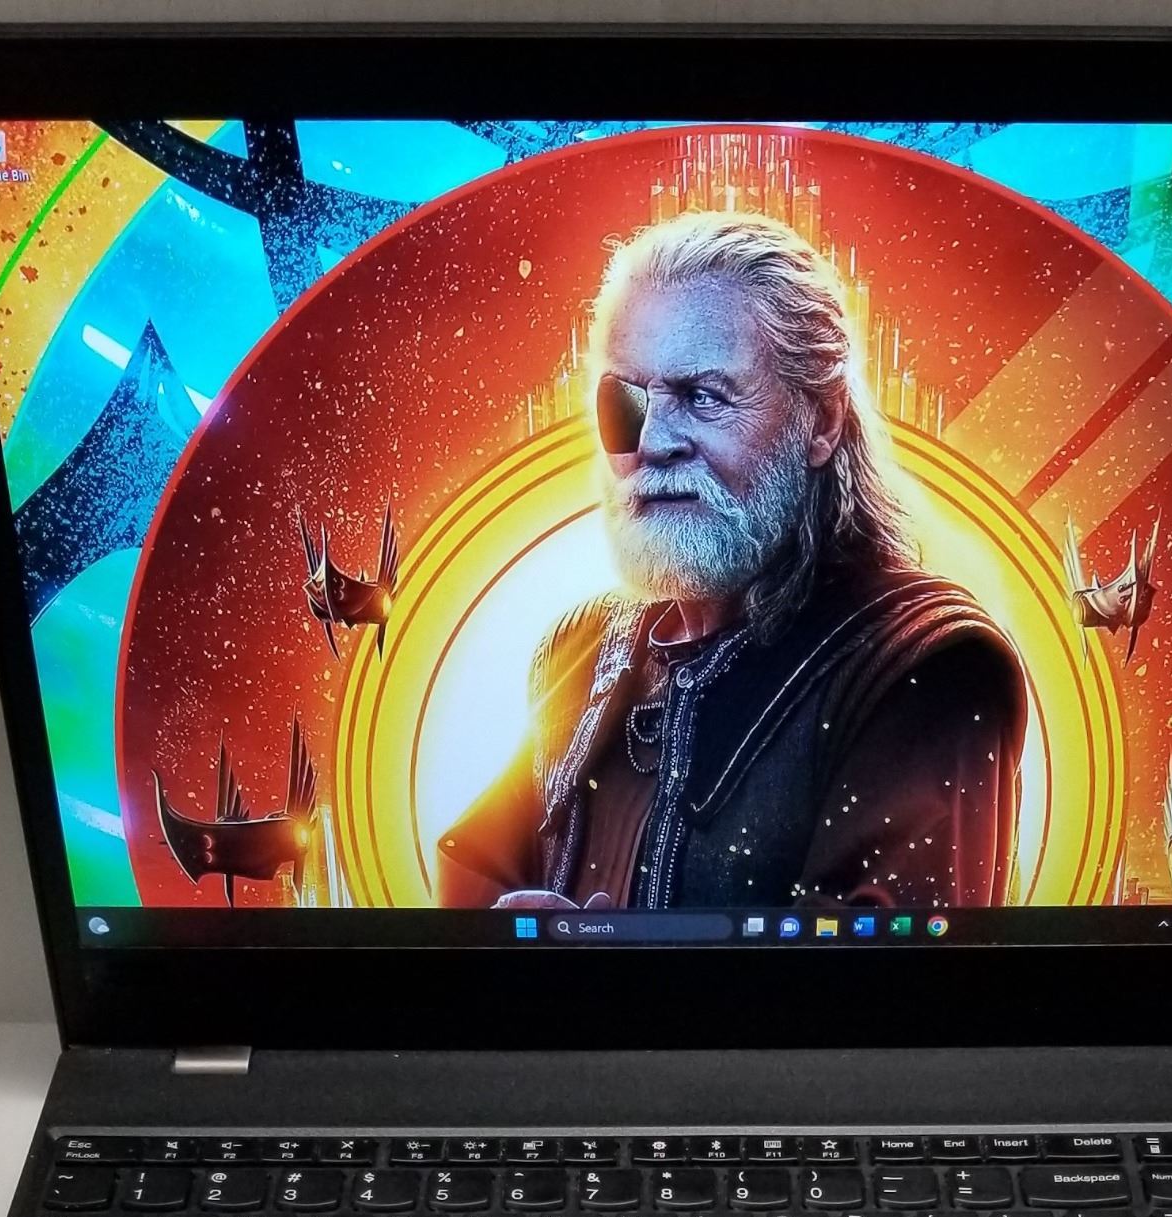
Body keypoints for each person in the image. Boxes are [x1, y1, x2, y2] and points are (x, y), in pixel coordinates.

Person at [435, 210, 1027, 912]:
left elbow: (887, 974)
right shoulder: (583, 647)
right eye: (626, 400)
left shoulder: (925, 667)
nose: (651, 443)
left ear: (822, 420)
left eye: (702, 396)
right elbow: (472, 870)